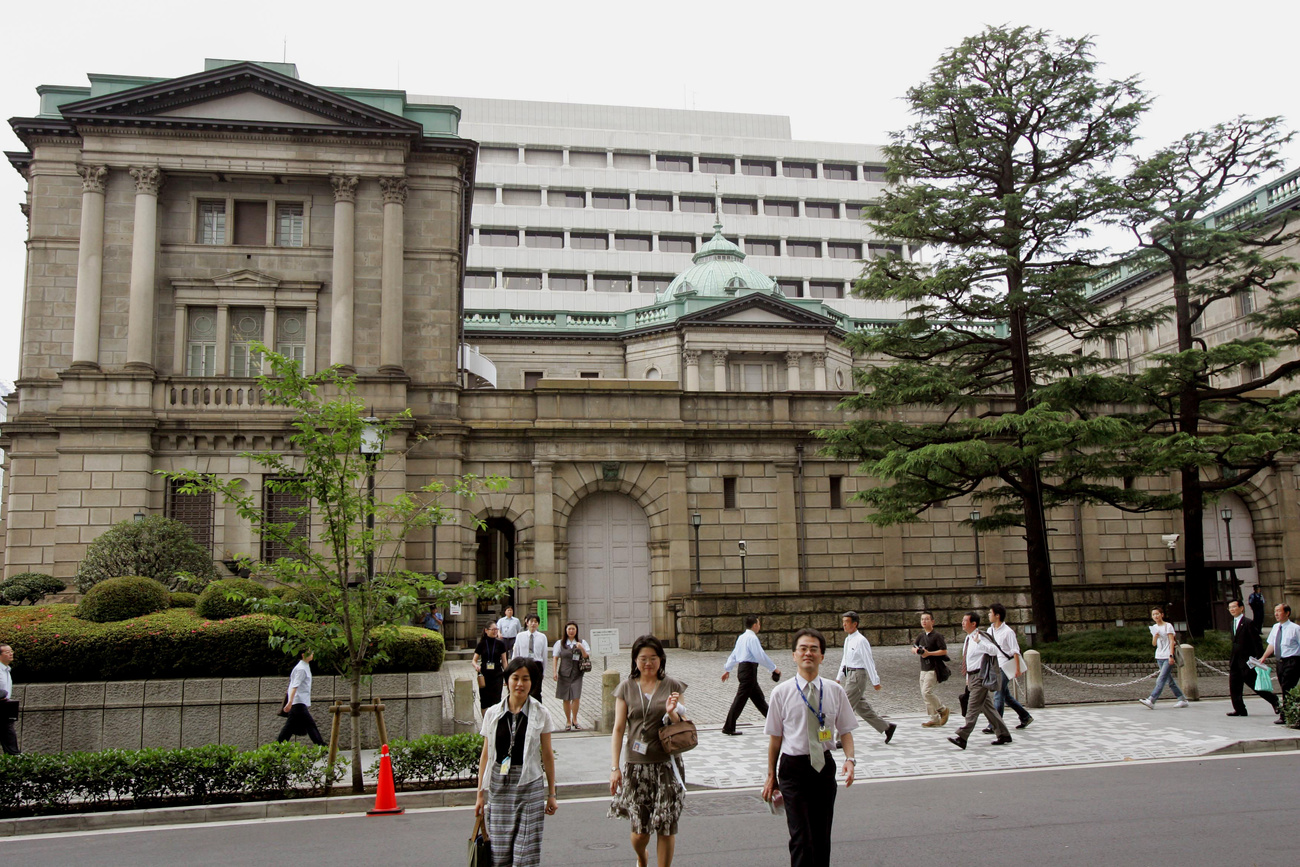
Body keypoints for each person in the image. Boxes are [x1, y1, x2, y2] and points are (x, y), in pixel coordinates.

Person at [762, 628, 857, 867]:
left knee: (821, 836)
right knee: (801, 837)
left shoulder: (835, 690)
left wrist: (850, 759)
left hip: (823, 767)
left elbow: (845, 730)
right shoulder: (780, 693)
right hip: (793, 769)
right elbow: (775, 739)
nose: (808, 653)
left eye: (814, 649)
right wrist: (770, 776)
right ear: (794, 655)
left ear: (822, 656)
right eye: (803, 649)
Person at [608, 635, 690, 867]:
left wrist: (673, 713)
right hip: (637, 766)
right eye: (643, 658)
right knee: (640, 831)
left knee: (666, 826)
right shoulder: (625, 688)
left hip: (668, 765)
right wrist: (615, 768)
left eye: (653, 658)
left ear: (661, 659)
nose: (648, 663)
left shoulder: (673, 686)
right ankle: (641, 856)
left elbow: (683, 724)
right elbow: (618, 729)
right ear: (635, 660)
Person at [475, 658, 558, 867]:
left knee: (525, 854)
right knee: (499, 854)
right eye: (515, 678)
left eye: (525, 679)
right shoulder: (493, 714)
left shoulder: (541, 713)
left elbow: (547, 755)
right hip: (499, 785)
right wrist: (479, 795)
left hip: (529, 784)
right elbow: (486, 754)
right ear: (507, 680)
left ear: (533, 683)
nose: (520, 684)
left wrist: (552, 794)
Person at [948, 611, 1012, 749]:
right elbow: (968, 659)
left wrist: (979, 643)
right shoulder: (968, 638)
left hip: (980, 677)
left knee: (972, 707)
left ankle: (962, 736)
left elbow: (994, 650)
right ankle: (1003, 734)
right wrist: (967, 677)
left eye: (965, 621)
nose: (962, 623)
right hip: (972, 676)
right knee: (988, 708)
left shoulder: (980, 636)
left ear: (973, 624)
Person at [834, 611, 896, 744]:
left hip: (857, 676)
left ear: (855, 624)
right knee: (862, 708)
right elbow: (844, 659)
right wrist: (839, 676)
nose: (844, 625)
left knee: (845, 707)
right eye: (843, 622)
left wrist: (875, 681)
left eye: (847, 622)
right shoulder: (848, 639)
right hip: (849, 674)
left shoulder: (861, 641)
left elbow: (869, 661)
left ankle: (840, 738)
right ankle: (886, 727)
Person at [720, 614, 781, 736]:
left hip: (744, 670)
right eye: (758, 624)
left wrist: (728, 669)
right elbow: (760, 655)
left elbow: (734, 654)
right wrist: (773, 668)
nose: (759, 626)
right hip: (749, 671)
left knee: (759, 699)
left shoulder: (741, 638)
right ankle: (728, 727)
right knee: (740, 700)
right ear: (754, 625)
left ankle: (775, 724)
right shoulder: (752, 638)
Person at [1226, 598, 1278, 717]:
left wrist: (1258, 658)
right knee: (1234, 686)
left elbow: (1257, 642)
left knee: (1255, 684)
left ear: (1241, 608)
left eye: (1234, 607)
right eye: (1230, 608)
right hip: (1235, 661)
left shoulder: (1248, 623)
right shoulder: (1232, 623)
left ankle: (1274, 700)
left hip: (1247, 661)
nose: (1232, 609)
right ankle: (1239, 709)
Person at [987, 603, 1034, 731]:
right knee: (1005, 696)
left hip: (1006, 666)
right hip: (995, 666)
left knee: (998, 694)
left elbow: (1015, 651)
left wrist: (1018, 669)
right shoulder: (989, 630)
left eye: (990, 613)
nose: (989, 615)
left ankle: (995, 724)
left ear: (997, 615)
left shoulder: (1008, 632)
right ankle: (1025, 716)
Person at [1138, 605, 1189, 710]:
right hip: (1159, 656)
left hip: (1167, 655)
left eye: (1157, 614)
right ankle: (1182, 699)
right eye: (1153, 614)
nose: (1155, 616)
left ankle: (1151, 700)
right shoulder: (1154, 627)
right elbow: (1153, 644)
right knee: (1169, 680)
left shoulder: (1168, 626)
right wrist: (1155, 637)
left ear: (1162, 615)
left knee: (1161, 679)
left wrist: (1171, 655)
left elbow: (1171, 641)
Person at [1257, 603, 1300, 725]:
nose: (1276, 614)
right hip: (1280, 662)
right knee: (1284, 687)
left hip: (1292, 661)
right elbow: (1272, 644)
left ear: (1287, 613)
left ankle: (1285, 715)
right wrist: (1264, 657)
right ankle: (1291, 711)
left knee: (1287, 687)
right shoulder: (1276, 627)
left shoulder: (1295, 629)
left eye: (1279, 611)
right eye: (1275, 611)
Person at [277, 651, 325, 745]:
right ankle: (321, 745)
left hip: (298, 701)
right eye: (310, 653)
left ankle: (278, 747)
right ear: (303, 655)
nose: (312, 654)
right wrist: (290, 702)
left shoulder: (304, 666)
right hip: (298, 702)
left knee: (290, 727)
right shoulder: (301, 669)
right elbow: (295, 685)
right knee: (309, 725)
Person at [912, 611, 950, 727]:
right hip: (923, 668)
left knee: (926, 691)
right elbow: (913, 647)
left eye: (927, 619)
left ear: (932, 621)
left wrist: (929, 653)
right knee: (924, 695)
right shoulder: (921, 636)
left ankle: (943, 709)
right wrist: (917, 651)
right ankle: (934, 718)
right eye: (922, 619)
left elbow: (944, 651)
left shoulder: (937, 636)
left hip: (933, 668)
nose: (924, 621)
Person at [552, 621, 591, 731]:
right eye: (569, 629)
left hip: (577, 673)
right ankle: (568, 720)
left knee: (576, 697)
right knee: (566, 698)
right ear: (566, 630)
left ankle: (575, 719)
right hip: (564, 673)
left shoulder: (582, 642)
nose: (571, 631)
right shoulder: (560, 643)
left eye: (573, 629)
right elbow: (555, 657)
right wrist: (554, 672)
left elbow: (586, 655)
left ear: (576, 630)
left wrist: (581, 648)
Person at [512, 615, 549, 701]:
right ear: (527, 623)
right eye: (531, 621)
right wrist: (514, 668)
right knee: (523, 688)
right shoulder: (520, 636)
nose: (533, 624)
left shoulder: (542, 637)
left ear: (538, 624)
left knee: (536, 691)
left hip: (537, 664)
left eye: (535, 622)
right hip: (523, 663)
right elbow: (516, 652)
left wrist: (544, 671)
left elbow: (544, 655)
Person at [474, 623, 509, 712]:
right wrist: (476, 665)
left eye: (496, 629)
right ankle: (486, 723)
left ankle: (495, 722)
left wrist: (507, 676)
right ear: (486, 630)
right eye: (492, 629)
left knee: (496, 699)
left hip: (497, 674)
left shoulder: (500, 644)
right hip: (484, 675)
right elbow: (474, 660)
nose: (495, 631)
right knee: (485, 700)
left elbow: (504, 661)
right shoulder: (481, 644)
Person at [0, 644, 20, 755]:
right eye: (7, 652)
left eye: (11, 651)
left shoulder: (6, 670)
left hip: (4, 710)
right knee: (9, 736)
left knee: (9, 736)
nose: (11, 653)